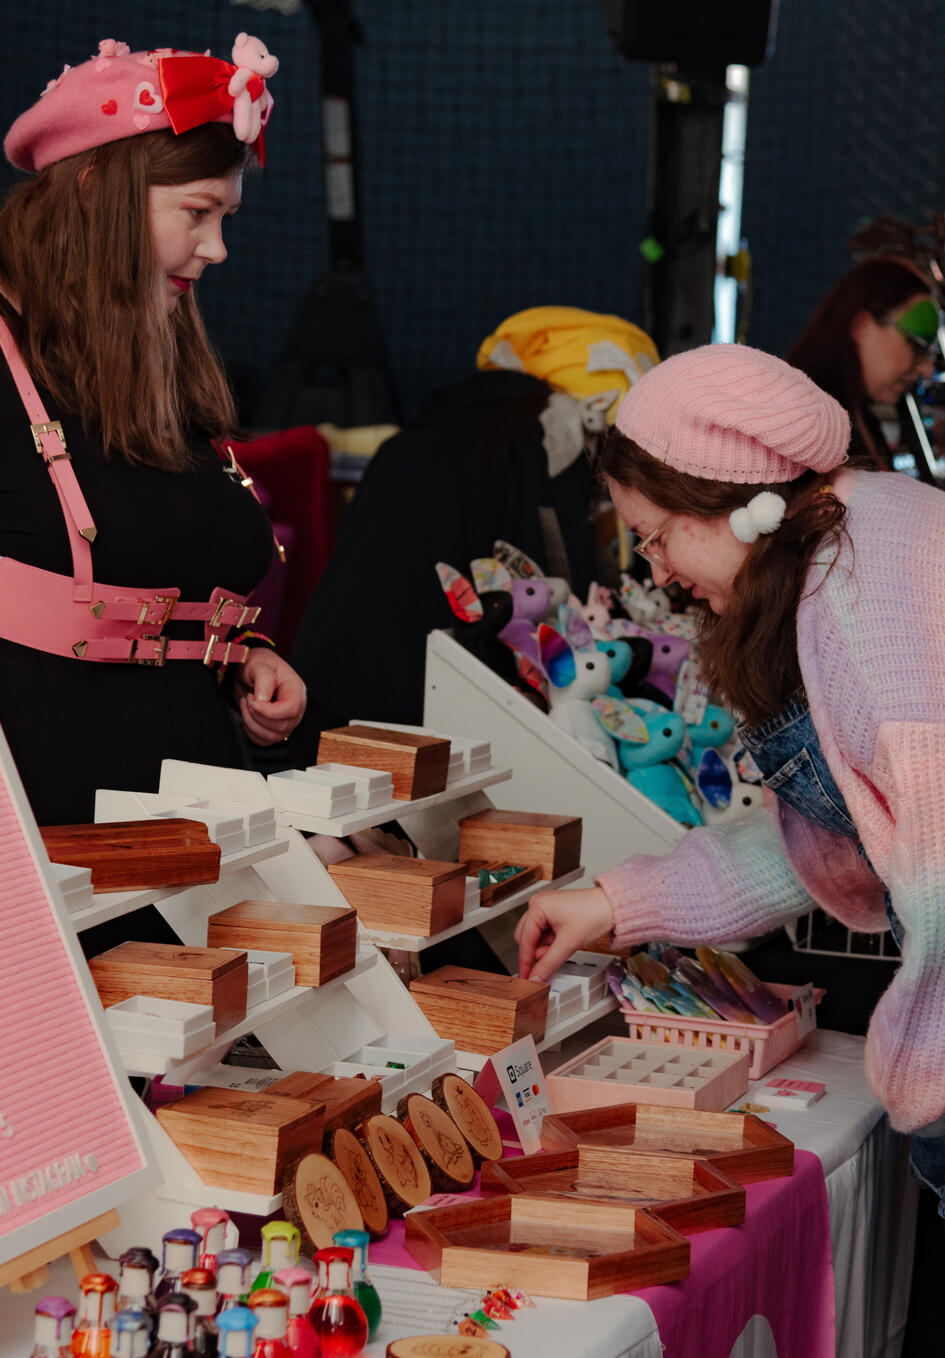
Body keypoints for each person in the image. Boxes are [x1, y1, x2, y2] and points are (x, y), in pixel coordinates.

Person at [515, 343, 945, 1202]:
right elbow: (842, 834)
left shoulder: (859, 616)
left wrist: (916, 1076)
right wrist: (617, 904)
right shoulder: (857, 528)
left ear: (734, 502)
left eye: (654, 537)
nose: (657, 573)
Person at [0, 38, 307, 842]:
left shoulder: (157, 350)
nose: (217, 249)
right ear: (95, 192)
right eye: (196, 213)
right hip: (51, 826)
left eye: (225, 218)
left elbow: (164, 557)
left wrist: (241, 655)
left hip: (192, 806)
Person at [281, 306, 658, 761]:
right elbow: (564, 591)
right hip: (426, 721)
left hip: (324, 697)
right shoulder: (549, 438)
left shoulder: (424, 432)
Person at [787, 254, 940, 469]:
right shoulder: (809, 424)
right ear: (863, 326)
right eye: (917, 347)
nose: (927, 369)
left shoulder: (854, 418)